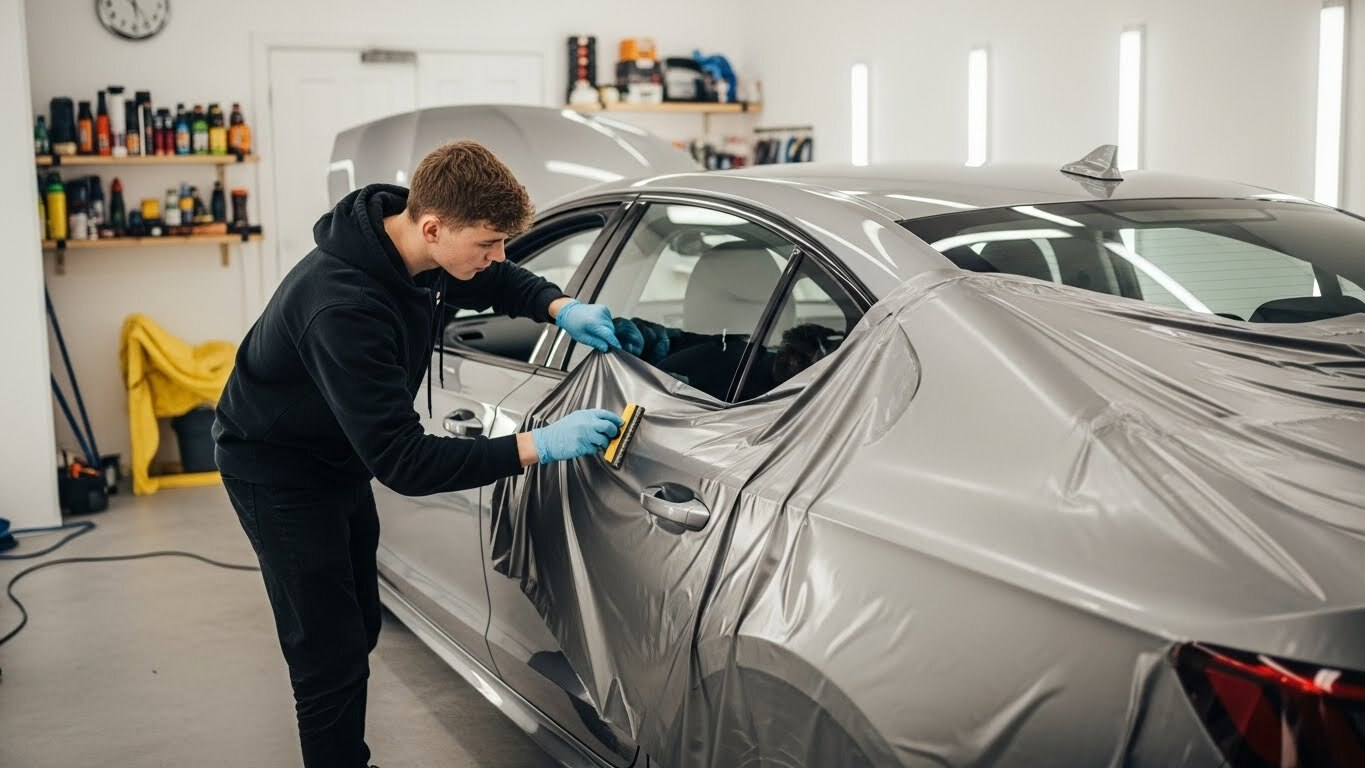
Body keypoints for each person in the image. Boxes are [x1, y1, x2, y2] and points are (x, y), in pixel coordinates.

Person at [212, 140, 626, 767]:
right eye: (488, 243)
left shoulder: (415, 247)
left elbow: (492, 276)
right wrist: (538, 444)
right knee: (328, 650)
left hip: (337, 455)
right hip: (278, 469)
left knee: (361, 623)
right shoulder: (342, 306)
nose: (497, 256)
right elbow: (404, 463)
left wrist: (556, 305)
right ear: (432, 228)